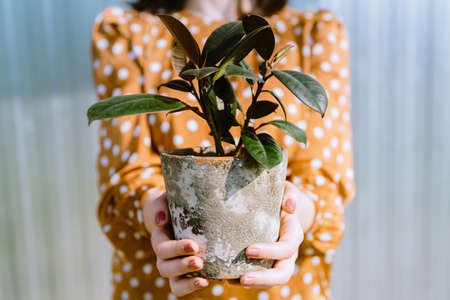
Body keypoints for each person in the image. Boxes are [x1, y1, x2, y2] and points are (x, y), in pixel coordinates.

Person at [91, 0, 355, 299]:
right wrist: (160, 216)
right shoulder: (129, 32)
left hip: (288, 287)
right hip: (160, 286)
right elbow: (128, 174)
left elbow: (324, 179)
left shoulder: (311, 33)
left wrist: (296, 215)